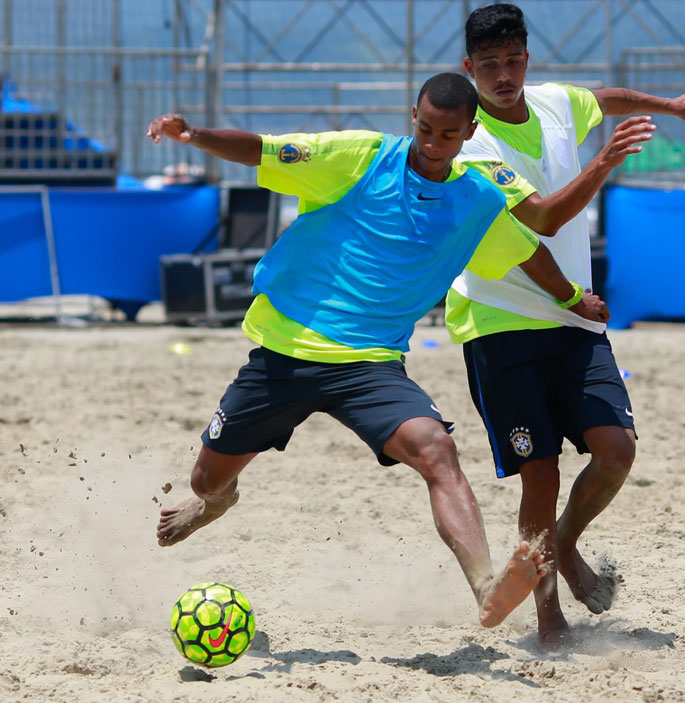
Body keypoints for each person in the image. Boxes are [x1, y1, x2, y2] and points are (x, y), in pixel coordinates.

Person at [148, 72, 611, 630]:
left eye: (446, 133)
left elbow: (528, 251)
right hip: (285, 352)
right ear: (411, 119)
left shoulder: (476, 198)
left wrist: (572, 299)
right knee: (206, 481)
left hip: (370, 366)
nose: (431, 142)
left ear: (469, 131)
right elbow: (262, 149)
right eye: (423, 128)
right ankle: (216, 502)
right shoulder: (360, 157)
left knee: (436, 450)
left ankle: (487, 585)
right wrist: (193, 134)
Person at [448, 3, 685, 648]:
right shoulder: (473, 142)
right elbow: (542, 220)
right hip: (502, 324)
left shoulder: (550, 102)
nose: (503, 74)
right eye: (488, 64)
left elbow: (605, 97)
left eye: (513, 59)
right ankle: (548, 616)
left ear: (527, 57)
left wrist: (672, 105)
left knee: (617, 450)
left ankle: (567, 542)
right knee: (539, 474)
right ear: (469, 69)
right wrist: (604, 163)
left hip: (576, 319)